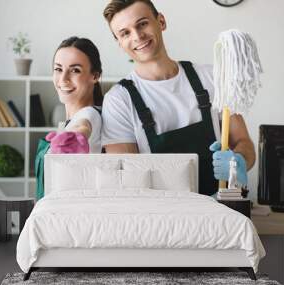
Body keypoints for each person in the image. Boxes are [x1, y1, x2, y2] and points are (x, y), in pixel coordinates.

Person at [101, 0, 255, 196]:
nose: (137, 36)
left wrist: (237, 162)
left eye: (142, 24)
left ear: (161, 21)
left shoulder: (211, 78)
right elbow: (126, 179)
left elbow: (245, 144)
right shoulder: (119, 101)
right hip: (162, 217)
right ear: (120, 43)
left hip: (222, 212)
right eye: (125, 33)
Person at [35, 36, 103, 199]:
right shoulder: (72, 120)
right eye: (58, 69)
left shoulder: (89, 114)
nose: (63, 79)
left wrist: (76, 136)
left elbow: (83, 126)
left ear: (95, 76)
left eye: (75, 70)